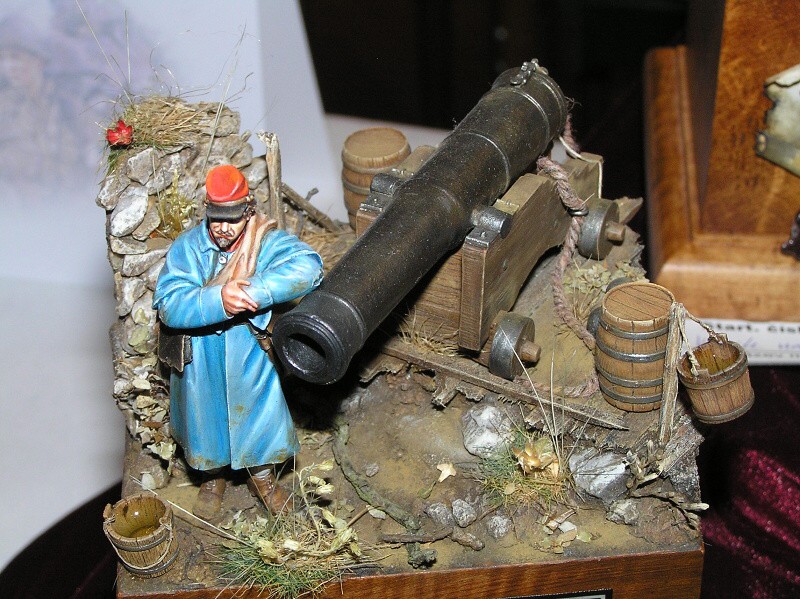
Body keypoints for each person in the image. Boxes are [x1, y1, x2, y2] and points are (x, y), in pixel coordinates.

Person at [153, 164, 323, 518]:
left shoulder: (264, 242)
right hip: (200, 355)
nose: (223, 228)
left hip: (247, 352)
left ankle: (263, 480)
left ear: (247, 211)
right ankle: (211, 478)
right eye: (216, 218)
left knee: (256, 419)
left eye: (232, 219)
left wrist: (254, 292)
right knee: (205, 421)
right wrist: (217, 300)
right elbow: (169, 303)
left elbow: (309, 267)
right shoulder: (188, 248)